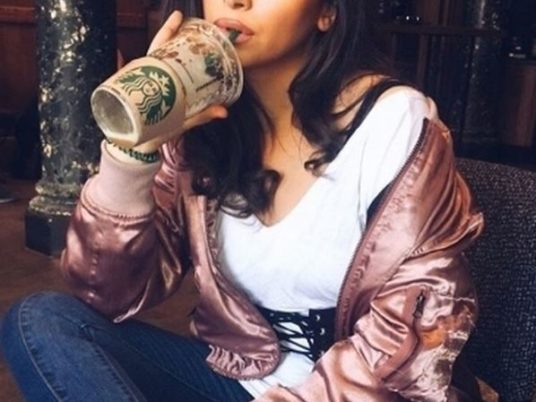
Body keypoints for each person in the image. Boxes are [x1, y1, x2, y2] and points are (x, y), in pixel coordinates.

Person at [0, 0, 485, 401]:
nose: (237, 2)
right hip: (238, 382)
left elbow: (420, 322)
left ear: (327, 12)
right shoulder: (201, 129)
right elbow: (107, 293)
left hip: (362, 393)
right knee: (42, 322)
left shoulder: (395, 122)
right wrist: (135, 150)